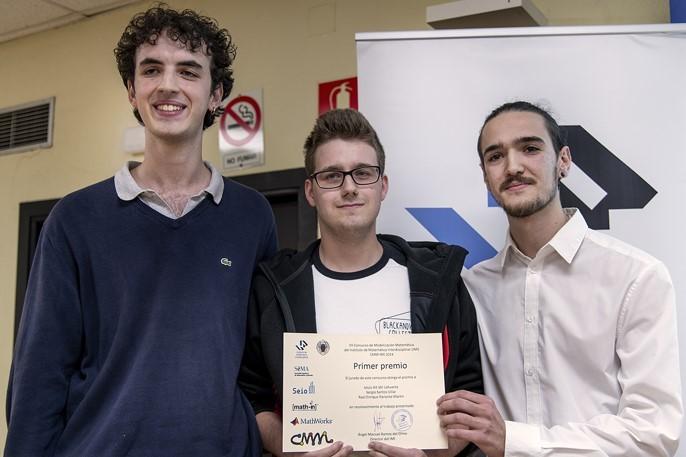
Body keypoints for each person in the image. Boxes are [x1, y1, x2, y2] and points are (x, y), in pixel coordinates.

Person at [5, 5, 277, 456]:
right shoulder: (74, 220)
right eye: (152, 70)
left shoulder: (252, 217)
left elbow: (261, 366)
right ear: (133, 91)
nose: (168, 85)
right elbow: (38, 381)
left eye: (188, 71)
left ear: (216, 95)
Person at [439, 101, 682, 456]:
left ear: (563, 161)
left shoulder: (636, 277)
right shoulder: (472, 289)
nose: (513, 166)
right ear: (485, 176)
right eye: (495, 156)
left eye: (530, 148)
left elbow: (654, 432)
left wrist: (515, 441)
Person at [238, 108, 483, 457]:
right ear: (311, 191)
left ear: (382, 186)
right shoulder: (273, 287)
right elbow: (254, 395)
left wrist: (430, 456)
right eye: (332, 176)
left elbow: (468, 392)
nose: (349, 187)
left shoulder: (439, 281)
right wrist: (291, 452)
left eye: (362, 173)